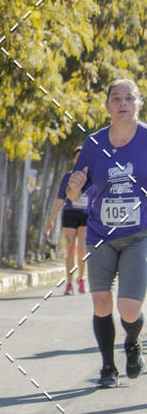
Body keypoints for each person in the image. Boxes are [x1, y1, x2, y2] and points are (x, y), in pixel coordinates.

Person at [67, 78, 147, 388]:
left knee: (128, 310)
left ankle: (133, 341)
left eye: (129, 98)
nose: (123, 103)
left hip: (139, 234)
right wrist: (74, 189)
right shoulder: (93, 144)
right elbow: (77, 193)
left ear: (139, 104)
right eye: (116, 98)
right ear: (107, 106)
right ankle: (108, 368)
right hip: (100, 233)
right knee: (101, 304)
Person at [45, 146, 88, 295]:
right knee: (70, 248)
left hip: (86, 215)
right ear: (74, 159)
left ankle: (81, 278)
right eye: (77, 157)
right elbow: (59, 199)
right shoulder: (68, 177)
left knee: (82, 249)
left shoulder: (92, 177)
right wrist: (50, 220)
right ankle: (69, 283)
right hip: (70, 213)